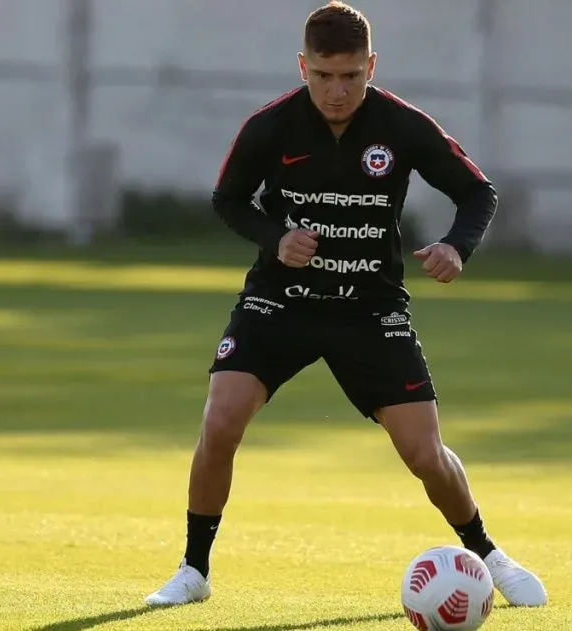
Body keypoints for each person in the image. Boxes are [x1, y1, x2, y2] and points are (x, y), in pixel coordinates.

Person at [144, 0, 547, 609]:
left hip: (369, 310)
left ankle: (489, 555)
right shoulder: (271, 126)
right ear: (303, 66)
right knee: (220, 419)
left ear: (371, 65)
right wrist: (275, 240)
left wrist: (457, 248)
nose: (337, 91)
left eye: (352, 76)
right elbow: (228, 200)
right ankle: (193, 570)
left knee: (424, 454)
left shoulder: (402, 126)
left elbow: (476, 192)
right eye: (324, 76)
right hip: (280, 302)